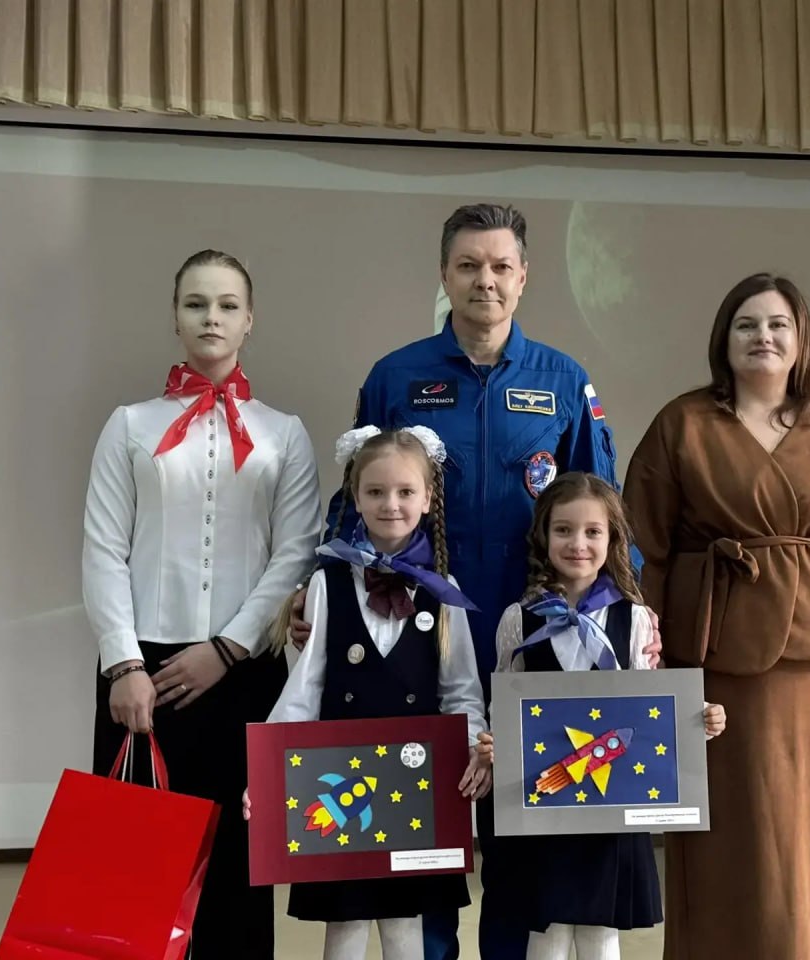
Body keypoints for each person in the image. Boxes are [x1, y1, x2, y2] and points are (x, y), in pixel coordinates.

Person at [286, 203, 660, 960]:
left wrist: (632, 616)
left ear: (523, 278)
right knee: (419, 811)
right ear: (444, 275)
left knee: (529, 830)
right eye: (468, 266)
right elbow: (355, 502)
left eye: (499, 267)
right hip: (422, 634)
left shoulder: (563, 380)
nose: (484, 280)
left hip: (540, 635)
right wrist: (319, 592)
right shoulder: (395, 376)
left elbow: (600, 508)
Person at [622, 273, 810, 960]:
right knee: (721, 830)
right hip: (712, 655)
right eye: (747, 324)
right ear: (723, 341)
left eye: (778, 324)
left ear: (801, 340)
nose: (763, 337)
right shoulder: (682, 423)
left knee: (798, 834)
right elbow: (643, 545)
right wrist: (645, 650)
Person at [81, 249, 323, 960]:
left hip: (245, 672)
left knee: (238, 872)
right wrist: (124, 665)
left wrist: (228, 649)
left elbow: (296, 552)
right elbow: (103, 548)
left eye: (226, 305)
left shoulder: (285, 432)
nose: (210, 317)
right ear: (175, 317)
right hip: (142, 675)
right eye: (195, 303)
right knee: (138, 870)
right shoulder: (129, 424)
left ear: (249, 320)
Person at [251, 426, 491, 960]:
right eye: (376, 491)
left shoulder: (445, 593)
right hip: (340, 786)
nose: (391, 504)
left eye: (406, 491)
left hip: (415, 787)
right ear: (355, 497)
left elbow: (461, 692)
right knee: (344, 926)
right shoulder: (326, 584)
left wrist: (474, 747)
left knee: (406, 927)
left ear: (427, 499)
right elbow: (305, 688)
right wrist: (265, 773)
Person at [476, 473, 725, 960]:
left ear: (613, 540)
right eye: (563, 530)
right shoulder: (518, 619)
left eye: (593, 532)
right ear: (543, 536)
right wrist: (494, 742)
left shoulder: (635, 618)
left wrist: (701, 719)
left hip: (610, 807)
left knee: (600, 932)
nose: (578, 544)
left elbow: (650, 705)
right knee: (546, 933)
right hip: (542, 804)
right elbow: (502, 704)